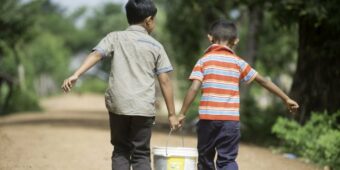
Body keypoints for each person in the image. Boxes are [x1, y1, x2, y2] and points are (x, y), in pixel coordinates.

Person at [61, 0, 178, 169]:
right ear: (149, 20)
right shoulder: (156, 46)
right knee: (141, 154)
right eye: (155, 20)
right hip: (143, 107)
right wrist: (172, 114)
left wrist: (76, 74)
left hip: (119, 104)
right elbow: (165, 80)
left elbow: (97, 55)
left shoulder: (114, 37)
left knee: (121, 150)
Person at [177, 20, 299, 170]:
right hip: (230, 121)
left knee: (205, 159)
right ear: (236, 41)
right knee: (227, 160)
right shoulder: (238, 62)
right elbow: (263, 81)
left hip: (208, 120)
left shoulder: (204, 61)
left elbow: (194, 88)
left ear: (210, 38)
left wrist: (182, 113)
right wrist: (285, 98)